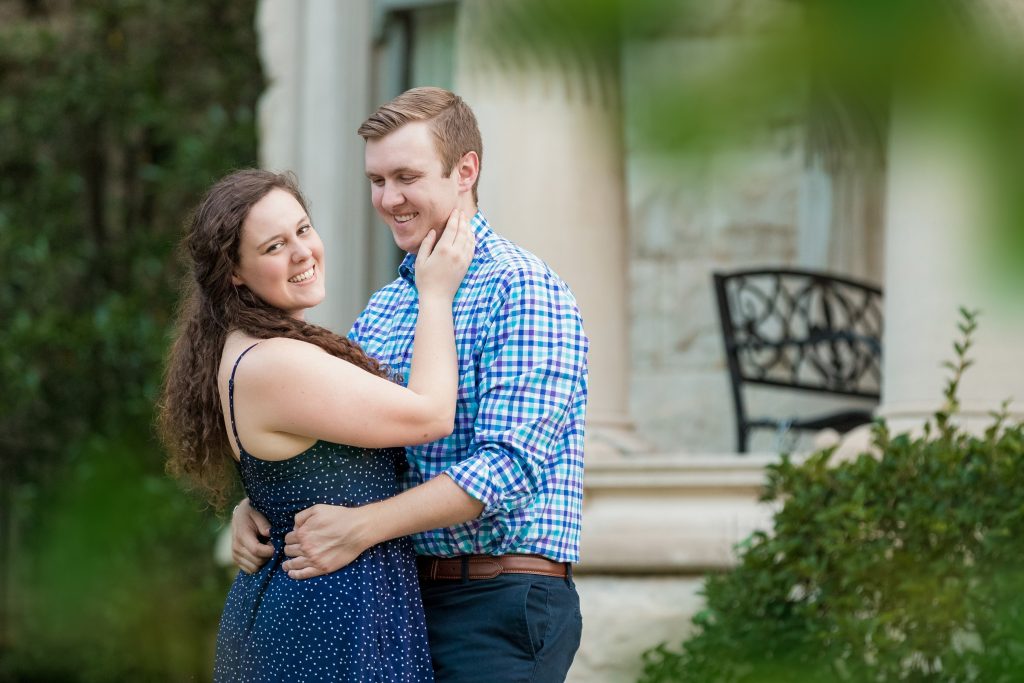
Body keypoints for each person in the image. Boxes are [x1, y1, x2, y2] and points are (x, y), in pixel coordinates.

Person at [232, 87, 589, 682]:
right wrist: (265, 504)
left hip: (497, 599)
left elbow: (505, 468)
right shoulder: (387, 308)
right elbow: (346, 447)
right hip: (398, 600)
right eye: (376, 180)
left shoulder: (524, 288)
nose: (388, 199)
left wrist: (362, 528)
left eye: (406, 177)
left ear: (465, 170)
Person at [158, 168, 474, 682]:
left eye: (303, 230)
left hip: (333, 606)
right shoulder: (273, 362)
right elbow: (431, 415)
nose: (302, 252)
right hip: (322, 619)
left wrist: (257, 504)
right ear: (234, 272)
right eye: (274, 246)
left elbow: (299, 470)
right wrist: (435, 294)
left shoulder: (266, 348)